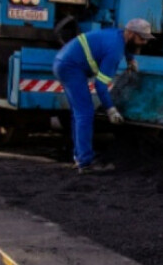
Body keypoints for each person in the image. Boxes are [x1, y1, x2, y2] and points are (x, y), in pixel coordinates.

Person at [53, 18, 150, 174]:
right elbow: (100, 85)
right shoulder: (114, 52)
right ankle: (85, 163)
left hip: (64, 62)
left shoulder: (118, 35)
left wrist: (130, 58)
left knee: (79, 114)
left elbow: (125, 45)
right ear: (131, 33)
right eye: (141, 38)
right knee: (85, 114)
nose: (144, 42)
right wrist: (111, 109)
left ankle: (80, 156)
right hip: (70, 68)